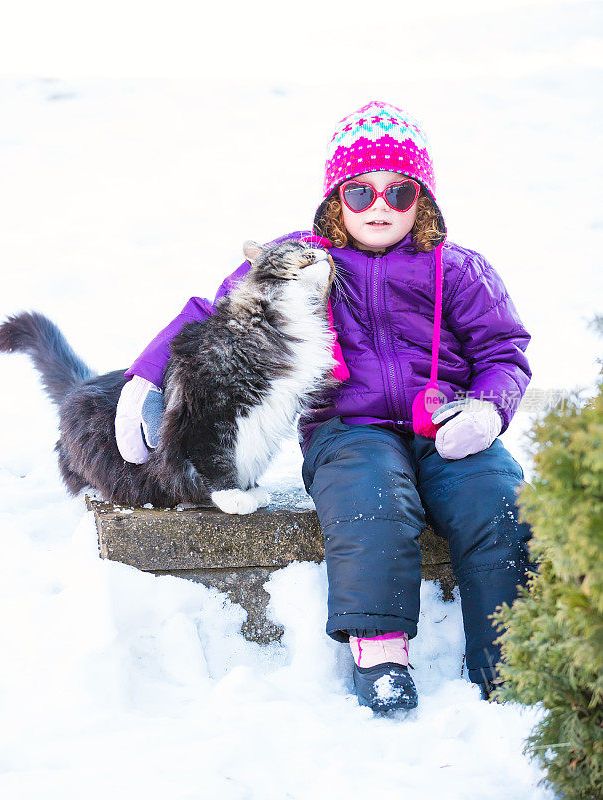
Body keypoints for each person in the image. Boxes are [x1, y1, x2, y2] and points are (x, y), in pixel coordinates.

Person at [114, 101, 533, 713]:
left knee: (496, 502)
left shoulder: (461, 270)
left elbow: (504, 349)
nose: (380, 206)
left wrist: (488, 412)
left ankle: (513, 656)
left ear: (425, 201)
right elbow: (214, 311)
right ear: (336, 200)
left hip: (451, 423)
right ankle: (381, 652)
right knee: (370, 503)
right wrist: (144, 380)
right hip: (348, 429)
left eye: (400, 191)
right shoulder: (304, 258)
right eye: (360, 193)